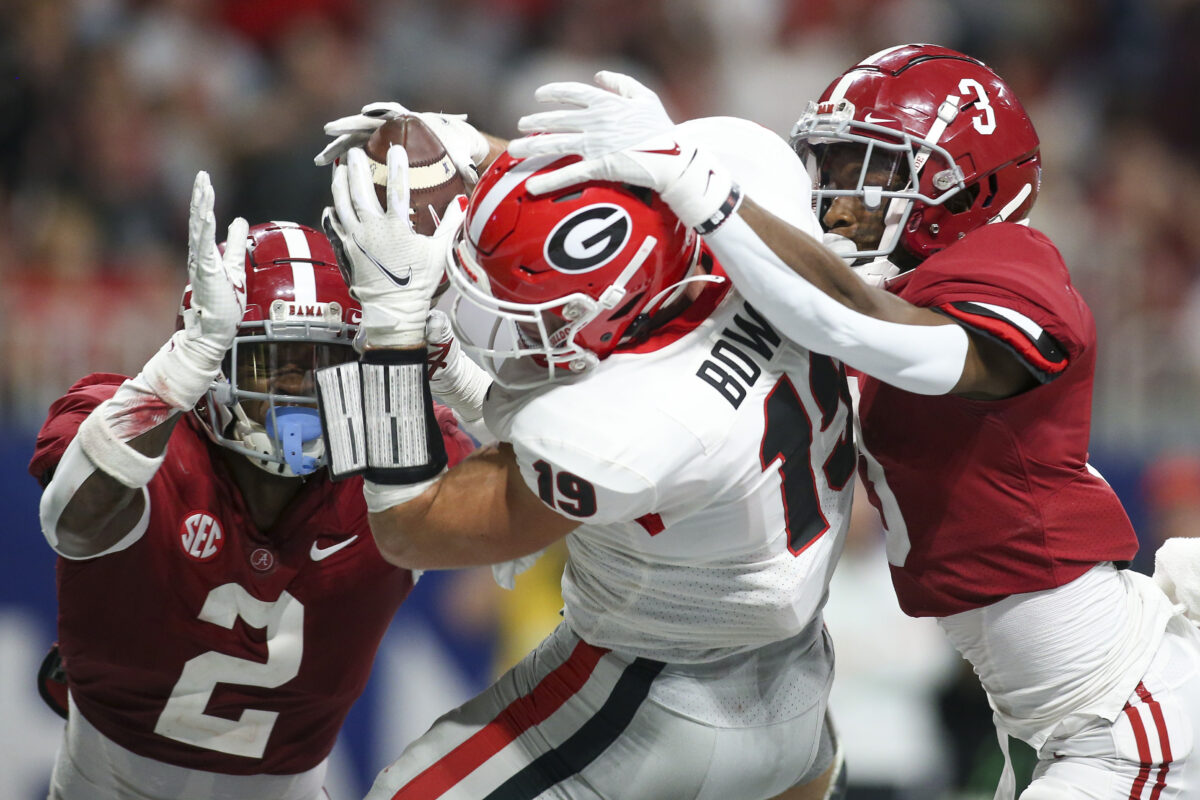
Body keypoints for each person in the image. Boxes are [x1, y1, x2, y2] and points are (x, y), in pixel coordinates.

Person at [510, 45, 1200, 799]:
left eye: (867, 171)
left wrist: (695, 175)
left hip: (1119, 712)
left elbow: (869, 324)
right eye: (830, 168)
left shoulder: (1009, 262)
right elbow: (773, 293)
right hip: (1056, 717)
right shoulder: (887, 291)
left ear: (961, 182)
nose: (837, 201)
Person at [311, 79, 854, 799]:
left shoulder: (626, 426)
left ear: (611, 319)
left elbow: (410, 529)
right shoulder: (738, 204)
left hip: (656, 700)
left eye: (537, 327)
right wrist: (480, 159)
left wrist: (390, 329)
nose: (504, 334)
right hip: (798, 681)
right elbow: (610, 203)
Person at [30, 171, 473, 800]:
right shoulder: (134, 425)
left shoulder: (388, 452)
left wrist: (455, 373)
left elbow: (549, 488)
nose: (297, 389)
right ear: (209, 353)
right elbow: (70, 524)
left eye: (320, 364)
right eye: (273, 363)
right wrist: (170, 380)